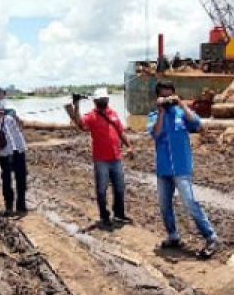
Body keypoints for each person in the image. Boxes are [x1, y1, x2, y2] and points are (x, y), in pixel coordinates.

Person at [147, 80, 220, 259]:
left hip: (181, 168)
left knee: (189, 202)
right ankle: (173, 236)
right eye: (163, 96)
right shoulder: (154, 115)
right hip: (163, 169)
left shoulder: (182, 114)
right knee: (165, 205)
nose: (166, 99)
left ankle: (211, 237)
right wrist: (162, 112)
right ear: (157, 98)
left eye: (169, 95)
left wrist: (181, 104)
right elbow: (155, 133)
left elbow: (198, 125)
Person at [67, 87, 131, 229]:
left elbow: (120, 131)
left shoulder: (113, 113)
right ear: (96, 101)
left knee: (120, 188)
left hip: (116, 157)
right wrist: (76, 104)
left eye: (105, 99)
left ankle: (119, 214)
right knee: (102, 189)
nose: (103, 101)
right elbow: (80, 124)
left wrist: (129, 146)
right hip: (101, 159)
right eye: (100, 100)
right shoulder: (91, 116)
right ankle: (104, 216)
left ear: (107, 100)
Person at [0, 88, 28, 216]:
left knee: (21, 177)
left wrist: (18, 119)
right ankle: (8, 207)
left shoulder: (12, 110)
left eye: (3, 98)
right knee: (7, 178)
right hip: (4, 150)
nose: (1, 101)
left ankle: (21, 205)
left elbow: (21, 126)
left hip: (18, 147)